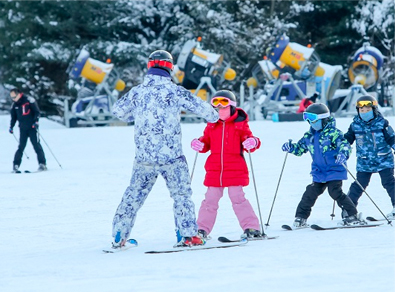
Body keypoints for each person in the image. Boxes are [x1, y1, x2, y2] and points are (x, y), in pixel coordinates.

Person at [111, 50, 219, 248]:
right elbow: (205, 111)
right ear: (169, 67)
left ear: (149, 67)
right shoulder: (175, 91)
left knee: (133, 195)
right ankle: (187, 235)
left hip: (144, 157)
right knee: (181, 195)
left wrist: (135, 116)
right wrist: (216, 115)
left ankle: (119, 233)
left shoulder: (137, 92)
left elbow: (118, 110)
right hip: (172, 157)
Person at [191, 90, 263, 239]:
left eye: (224, 104)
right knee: (210, 200)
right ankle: (201, 229)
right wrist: (200, 144)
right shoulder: (212, 125)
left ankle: (251, 227)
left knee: (237, 197)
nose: (220, 108)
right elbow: (206, 142)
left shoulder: (240, 124)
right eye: (216, 105)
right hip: (215, 169)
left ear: (231, 106)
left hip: (235, 168)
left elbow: (249, 138)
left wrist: (253, 142)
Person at [281, 103, 364, 227]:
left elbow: (345, 145)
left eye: (313, 119)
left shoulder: (334, 133)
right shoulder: (309, 136)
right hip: (319, 171)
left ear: (324, 119)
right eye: (308, 119)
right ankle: (300, 218)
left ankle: (352, 215)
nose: (311, 123)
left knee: (335, 192)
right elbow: (299, 149)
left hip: (334, 169)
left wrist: (343, 154)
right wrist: (291, 148)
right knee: (310, 192)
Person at [343, 95, 395, 219]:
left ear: (374, 110)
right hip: (364, 162)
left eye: (367, 110)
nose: (364, 113)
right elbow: (347, 139)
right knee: (359, 185)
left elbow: (392, 138)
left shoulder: (382, 124)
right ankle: (349, 211)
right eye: (362, 110)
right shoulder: (355, 125)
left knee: (389, 182)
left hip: (383, 160)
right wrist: (339, 148)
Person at [9, 88, 47, 172]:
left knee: (36, 145)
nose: (13, 99)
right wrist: (11, 126)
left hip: (32, 128)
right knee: (21, 147)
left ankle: (42, 164)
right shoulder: (14, 105)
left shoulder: (29, 100)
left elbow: (36, 112)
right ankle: (15, 165)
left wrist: (35, 122)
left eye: (14, 97)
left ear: (19, 94)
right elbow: (13, 117)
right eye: (12, 98)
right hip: (22, 129)